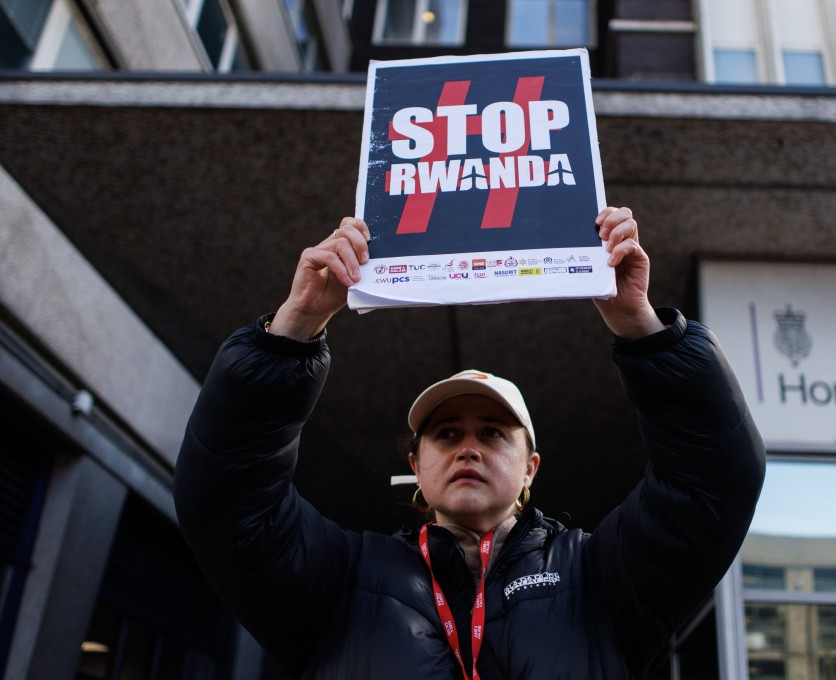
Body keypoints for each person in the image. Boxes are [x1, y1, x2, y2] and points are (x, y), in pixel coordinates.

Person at [173, 206, 766, 679]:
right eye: (447, 434)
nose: (468, 448)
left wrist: (641, 326)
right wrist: (295, 326)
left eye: (493, 433)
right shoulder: (337, 581)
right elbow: (228, 499)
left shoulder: (602, 580)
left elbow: (712, 481)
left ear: (531, 467)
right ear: (416, 465)